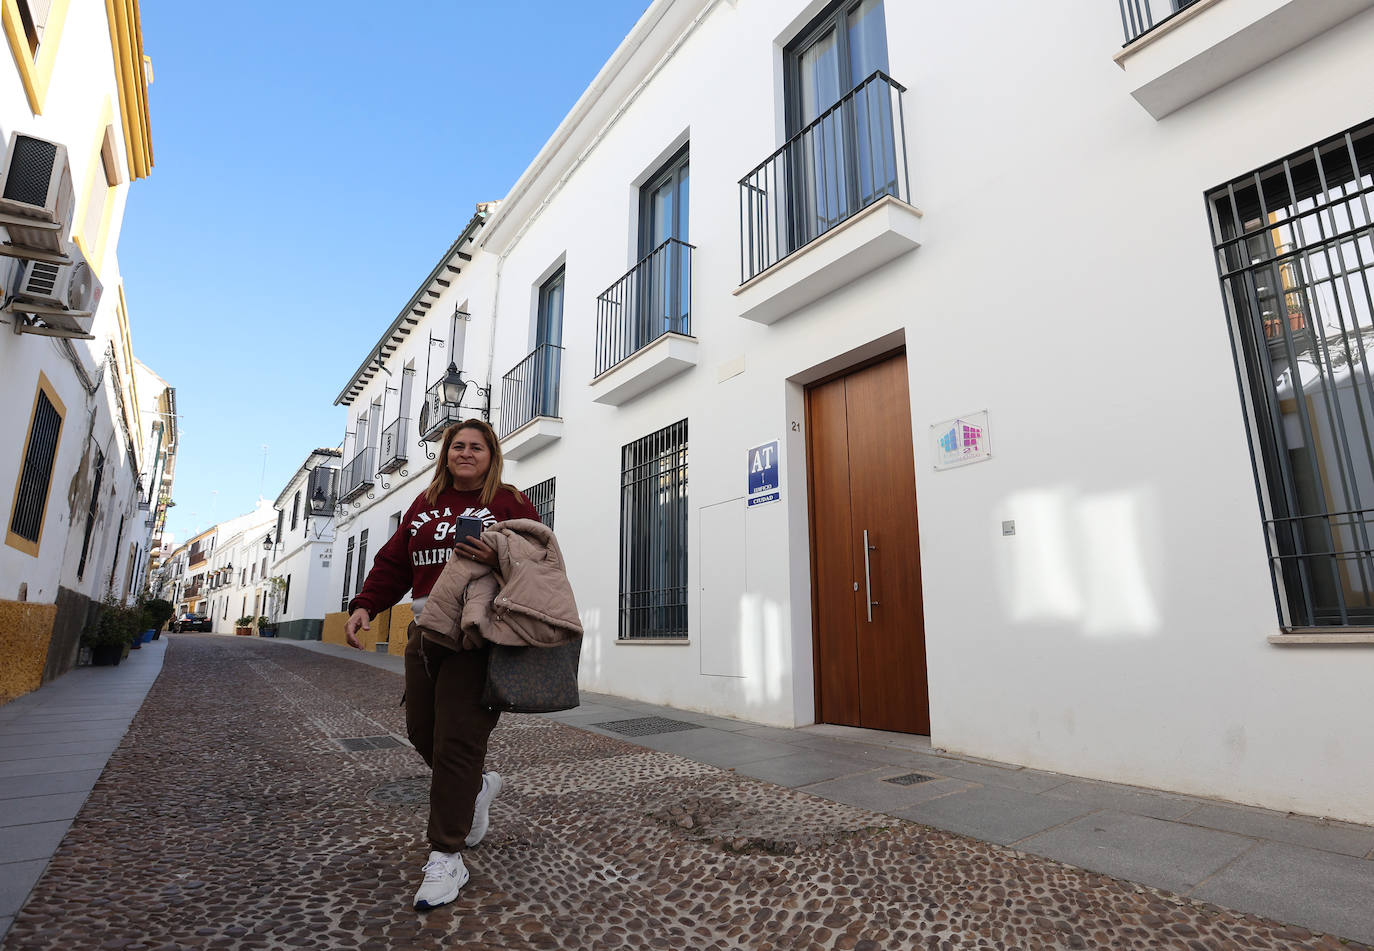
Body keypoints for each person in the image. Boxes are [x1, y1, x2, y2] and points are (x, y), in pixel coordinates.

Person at [344, 418, 540, 910]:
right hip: (425, 629)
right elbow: (395, 562)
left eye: (476, 446)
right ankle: (474, 789)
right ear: (446, 454)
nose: (466, 453)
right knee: (420, 729)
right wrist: (367, 604)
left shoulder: (509, 502)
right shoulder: (426, 504)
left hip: (479, 636)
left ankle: (446, 855)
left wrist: (495, 552)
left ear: (492, 455)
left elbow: (537, 560)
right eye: (458, 446)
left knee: (457, 739)